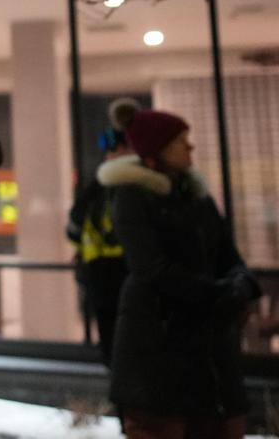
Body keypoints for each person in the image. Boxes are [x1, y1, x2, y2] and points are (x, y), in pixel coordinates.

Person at [97, 104, 260, 439]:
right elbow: (151, 267)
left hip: (210, 351)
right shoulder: (132, 198)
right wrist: (219, 294)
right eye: (179, 141)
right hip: (157, 346)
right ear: (155, 152)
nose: (190, 147)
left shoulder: (198, 198)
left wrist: (242, 283)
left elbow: (228, 255)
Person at [66, 97, 138, 365]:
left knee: (116, 355)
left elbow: (73, 227)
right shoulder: (142, 184)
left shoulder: (100, 187)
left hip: (103, 280)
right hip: (124, 279)